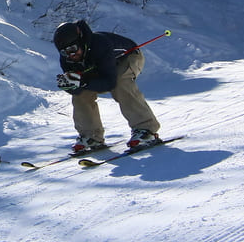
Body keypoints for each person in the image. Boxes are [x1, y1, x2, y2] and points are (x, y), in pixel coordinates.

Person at [53, 20, 162, 153]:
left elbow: (110, 83)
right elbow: (78, 88)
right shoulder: (67, 59)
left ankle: (146, 129)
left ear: (81, 41)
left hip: (128, 57)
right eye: (64, 52)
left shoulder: (100, 44)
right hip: (100, 67)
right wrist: (71, 85)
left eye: (72, 49)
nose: (70, 55)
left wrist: (84, 82)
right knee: (80, 95)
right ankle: (91, 136)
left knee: (121, 82)